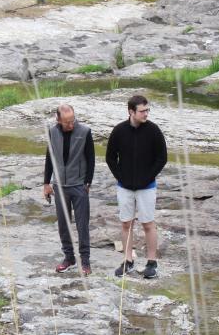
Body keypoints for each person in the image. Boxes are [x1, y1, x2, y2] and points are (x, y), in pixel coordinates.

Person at [106, 94, 168, 279]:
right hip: (124, 186)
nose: (146, 114)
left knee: (148, 224)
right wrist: (121, 177)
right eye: (142, 111)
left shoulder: (154, 131)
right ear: (131, 111)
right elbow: (110, 158)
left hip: (147, 187)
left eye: (148, 110)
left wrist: (147, 177)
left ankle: (151, 262)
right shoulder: (119, 131)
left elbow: (162, 157)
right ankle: (128, 261)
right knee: (126, 224)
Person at [43, 104, 95, 276]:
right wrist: (46, 183)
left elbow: (91, 158)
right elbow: (49, 158)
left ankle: (85, 262)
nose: (71, 125)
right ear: (58, 119)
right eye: (67, 122)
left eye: (72, 120)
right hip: (59, 186)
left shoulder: (85, 131)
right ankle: (69, 257)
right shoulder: (52, 132)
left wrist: (87, 183)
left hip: (79, 186)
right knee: (64, 225)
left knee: (82, 225)